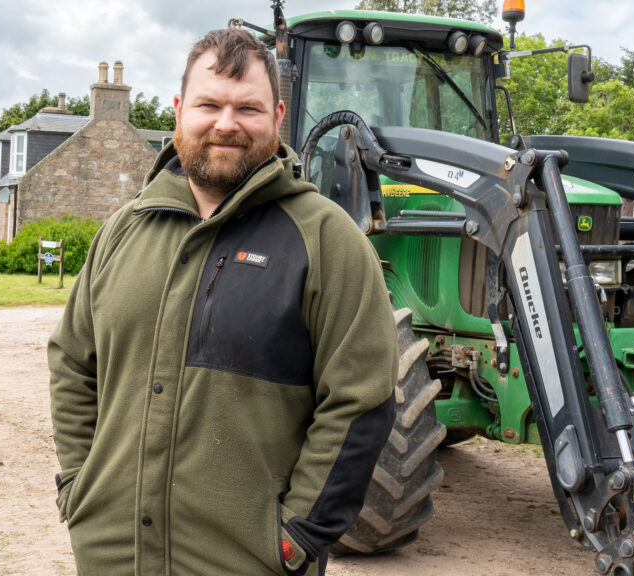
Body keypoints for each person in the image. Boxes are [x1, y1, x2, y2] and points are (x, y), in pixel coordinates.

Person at [49, 27, 398, 576]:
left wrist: (296, 536)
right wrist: (78, 483)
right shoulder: (123, 230)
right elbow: (72, 362)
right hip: (112, 558)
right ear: (178, 109)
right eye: (209, 104)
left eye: (248, 108)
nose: (226, 123)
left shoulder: (327, 240)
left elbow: (361, 402)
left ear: (278, 115)